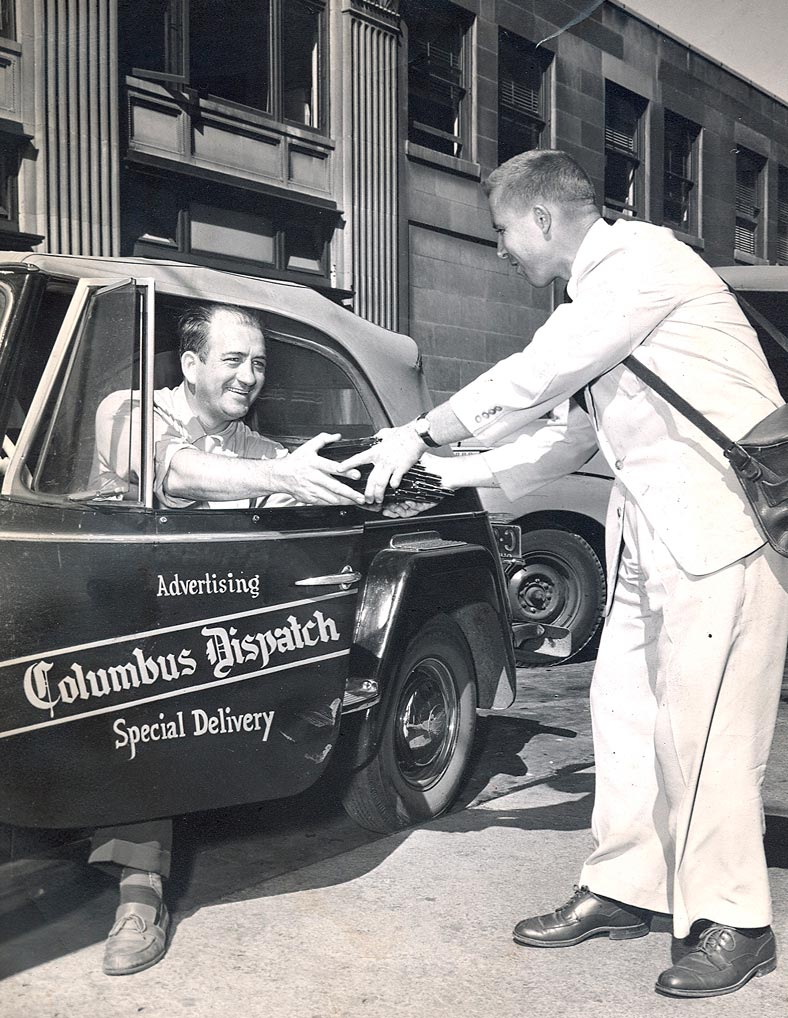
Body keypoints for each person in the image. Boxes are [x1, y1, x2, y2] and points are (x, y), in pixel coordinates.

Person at [342, 149, 788, 999]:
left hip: (721, 536)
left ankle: (736, 920)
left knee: (708, 734)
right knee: (622, 716)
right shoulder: (603, 304)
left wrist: (423, 432)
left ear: (543, 219)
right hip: (652, 541)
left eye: (504, 230)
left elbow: (536, 374)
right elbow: (568, 435)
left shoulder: (641, 264)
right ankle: (626, 887)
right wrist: (443, 472)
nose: (501, 249)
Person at [92, 302, 367, 976]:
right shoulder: (127, 411)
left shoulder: (258, 447)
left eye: (259, 364)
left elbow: (289, 494)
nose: (250, 376)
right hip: (108, 620)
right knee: (150, 688)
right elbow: (174, 471)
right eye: (234, 360)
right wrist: (279, 478)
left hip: (209, 625)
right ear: (191, 365)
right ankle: (140, 893)